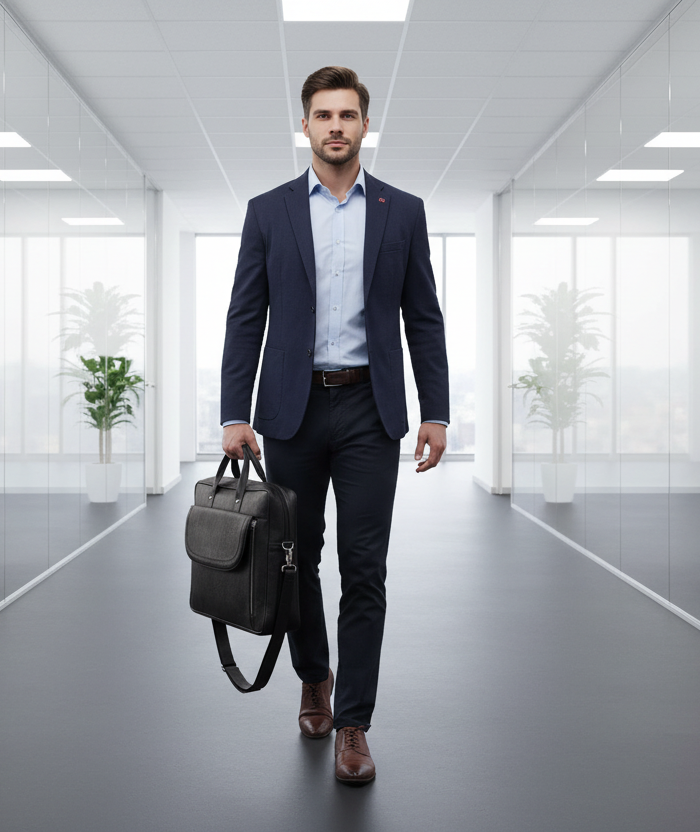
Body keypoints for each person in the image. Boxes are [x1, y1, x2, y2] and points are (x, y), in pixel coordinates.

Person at [219, 66, 449, 785]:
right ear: (306, 126)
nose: (336, 126)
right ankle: (312, 676)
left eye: (348, 115)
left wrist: (436, 409)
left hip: (369, 410)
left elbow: (424, 317)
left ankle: (353, 722)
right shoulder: (269, 211)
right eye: (324, 115)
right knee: (295, 561)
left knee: (365, 569)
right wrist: (234, 412)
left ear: (364, 126)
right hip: (290, 411)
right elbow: (245, 316)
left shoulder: (401, 211)